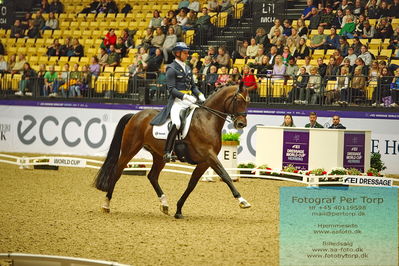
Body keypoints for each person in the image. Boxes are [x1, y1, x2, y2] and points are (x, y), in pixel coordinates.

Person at [150, 42, 205, 162]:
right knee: (177, 123)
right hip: (177, 102)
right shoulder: (171, 68)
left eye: (187, 53)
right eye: (185, 53)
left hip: (190, 101)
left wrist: (200, 95)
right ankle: (167, 152)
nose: (187, 55)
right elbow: (171, 90)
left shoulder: (188, 68)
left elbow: (193, 86)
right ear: (177, 53)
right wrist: (185, 96)